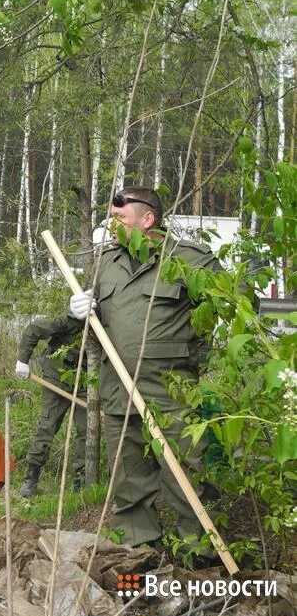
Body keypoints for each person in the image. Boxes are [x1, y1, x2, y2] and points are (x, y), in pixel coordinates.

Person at [68, 187, 221, 556]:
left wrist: (194, 357)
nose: (112, 226)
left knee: (185, 473)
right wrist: (80, 311)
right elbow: (99, 326)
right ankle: (141, 551)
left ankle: (197, 555)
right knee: (129, 479)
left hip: (172, 390)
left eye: (119, 218)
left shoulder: (188, 259)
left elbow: (231, 303)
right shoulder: (107, 264)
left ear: (147, 219)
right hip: (119, 387)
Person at [15, 316, 87, 497]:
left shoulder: (108, 323)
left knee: (87, 430)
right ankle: (31, 478)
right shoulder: (70, 321)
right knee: (47, 425)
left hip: (87, 378)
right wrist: (22, 360)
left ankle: (82, 480)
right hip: (57, 374)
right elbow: (34, 328)